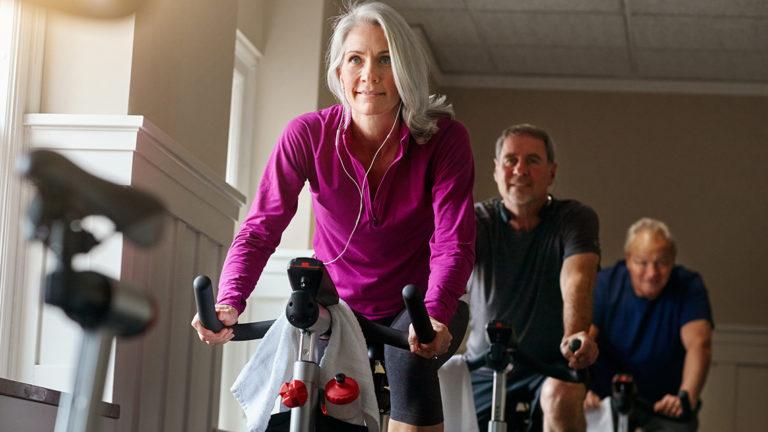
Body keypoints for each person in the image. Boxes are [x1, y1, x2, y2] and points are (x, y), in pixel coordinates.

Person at [191, 2, 475, 431]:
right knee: (307, 386)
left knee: (408, 360)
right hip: (339, 307)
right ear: (339, 71)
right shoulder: (306, 135)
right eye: (356, 59)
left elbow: (453, 240)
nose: (370, 75)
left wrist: (433, 314)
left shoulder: (444, 139)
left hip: (420, 307)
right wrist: (230, 299)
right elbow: (260, 228)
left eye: (386, 59)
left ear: (406, 70)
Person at [467, 124, 601, 432]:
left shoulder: (574, 219)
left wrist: (575, 335)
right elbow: (447, 272)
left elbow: (577, 280)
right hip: (485, 368)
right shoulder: (476, 221)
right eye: (511, 160)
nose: (520, 169)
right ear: (496, 170)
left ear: (552, 173)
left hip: (550, 367)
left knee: (560, 396)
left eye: (533, 161)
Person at [585, 218, 713, 431]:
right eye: (642, 262)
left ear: (673, 260)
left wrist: (686, 397)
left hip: (664, 405)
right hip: (605, 402)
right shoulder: (606, 284)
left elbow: (700, 344)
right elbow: (584, 340)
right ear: (628, 260)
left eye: (662, 262)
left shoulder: (689, 286)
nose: (652, 273)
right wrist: (580, 389)